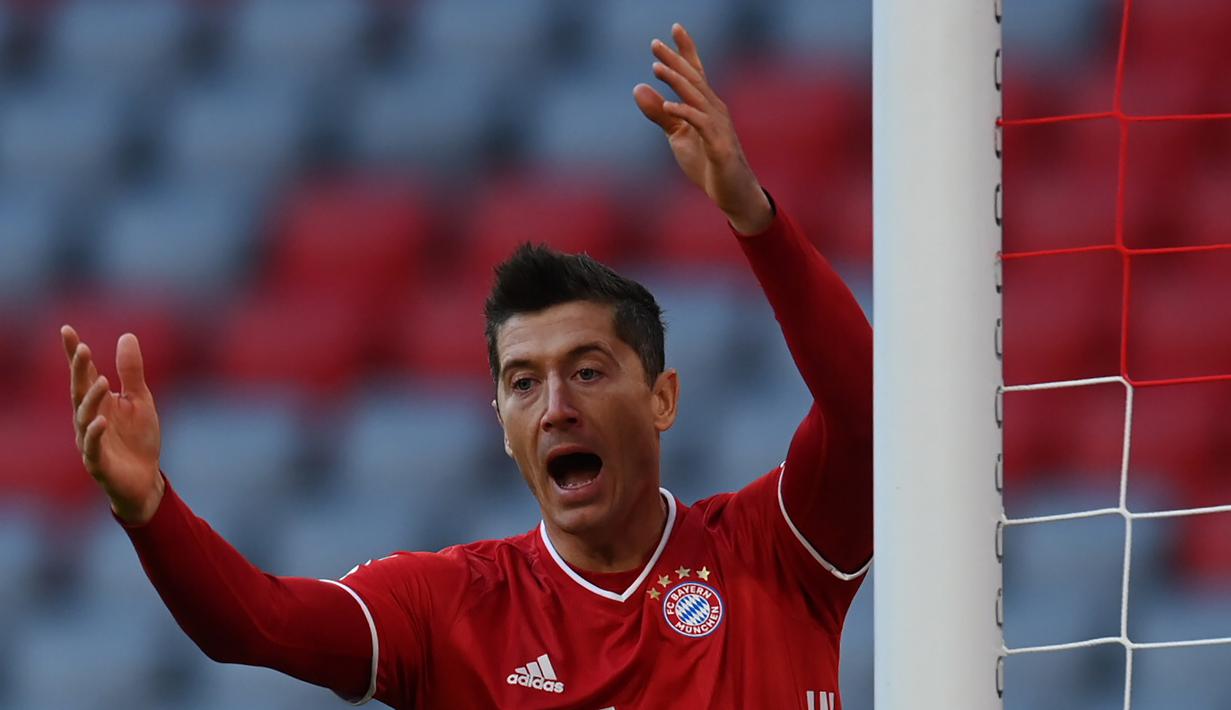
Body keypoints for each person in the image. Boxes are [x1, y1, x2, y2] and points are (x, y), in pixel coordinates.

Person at [62, 24, 871, 709]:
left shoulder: (778, 550)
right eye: (524, 383)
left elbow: (873, 409)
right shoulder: (449, 607)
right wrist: (150, 507)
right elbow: (256, 623)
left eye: (587, 371)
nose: (554, 404)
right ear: (501, 423)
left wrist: (750, 214)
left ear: (662, 398)